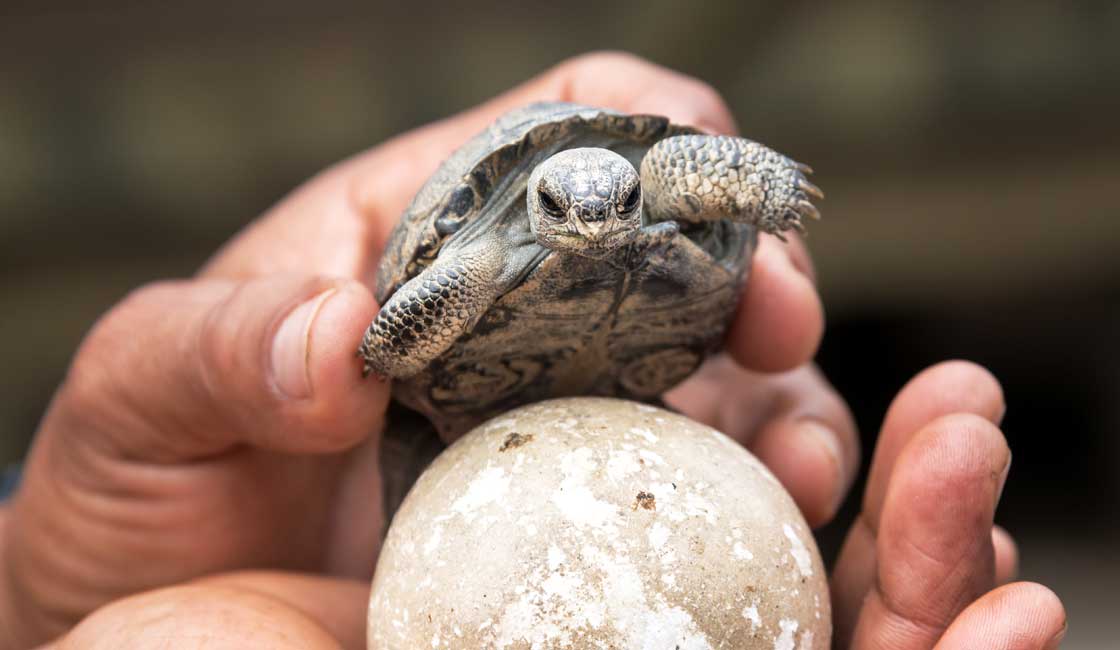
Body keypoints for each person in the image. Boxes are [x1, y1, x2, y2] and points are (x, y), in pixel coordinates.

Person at [0, 52, 1065, 649]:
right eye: (566, 206)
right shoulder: (480, 252)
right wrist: (376, 349)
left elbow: (683, 171)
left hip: (633, 382)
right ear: (539, 197)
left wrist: (753, 183)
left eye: (613, 203)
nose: (594, 224)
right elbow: (399, 334)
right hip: (472, 398)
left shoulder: (639, 192)